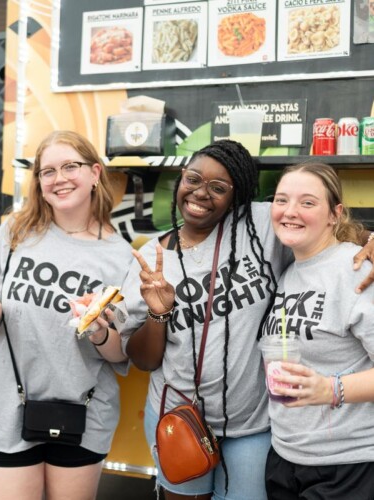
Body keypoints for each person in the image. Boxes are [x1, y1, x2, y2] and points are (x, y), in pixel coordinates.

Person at [120, 140, 374, 500]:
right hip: (179, 416)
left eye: (219, 188)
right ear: (180, 179)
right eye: (194, 179)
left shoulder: (261, 225)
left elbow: (322, 229)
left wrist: (369, 240)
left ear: (236, 197)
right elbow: (143, 359)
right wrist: (159, 312)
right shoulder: (151, 258)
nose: (201, 193)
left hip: (254, 424)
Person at [0, 130, 134, 500]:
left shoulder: (121, 256)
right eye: (48, 171)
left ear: (94, 173)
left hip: (83, 414)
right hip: (4, 409)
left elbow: (122, 354)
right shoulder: (15, 231)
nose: (59, 178)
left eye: (70, 166)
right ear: (39, 183)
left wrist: (99, 331)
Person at [261, 163, 374, 500]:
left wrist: (332, 388)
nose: (291, 211)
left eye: (308, 203)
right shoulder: (287, 271)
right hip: (285, 457)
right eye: (282, 200)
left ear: (334, 214)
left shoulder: (357, 269)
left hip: (346, 465)